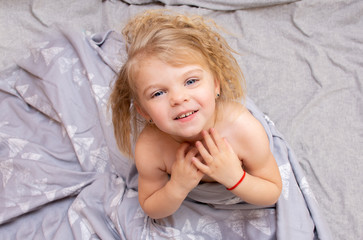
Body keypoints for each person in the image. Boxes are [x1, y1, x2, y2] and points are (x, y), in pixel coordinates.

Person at [109, 9, 282, 220]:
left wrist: (235, 178)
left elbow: (272, 192)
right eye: (158, 93)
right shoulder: (151, 148)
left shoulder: (244, 129)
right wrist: (177, 187)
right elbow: (151, 207)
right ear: (144, 111)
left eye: (191, 81)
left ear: (216, 85)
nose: (178, 98)